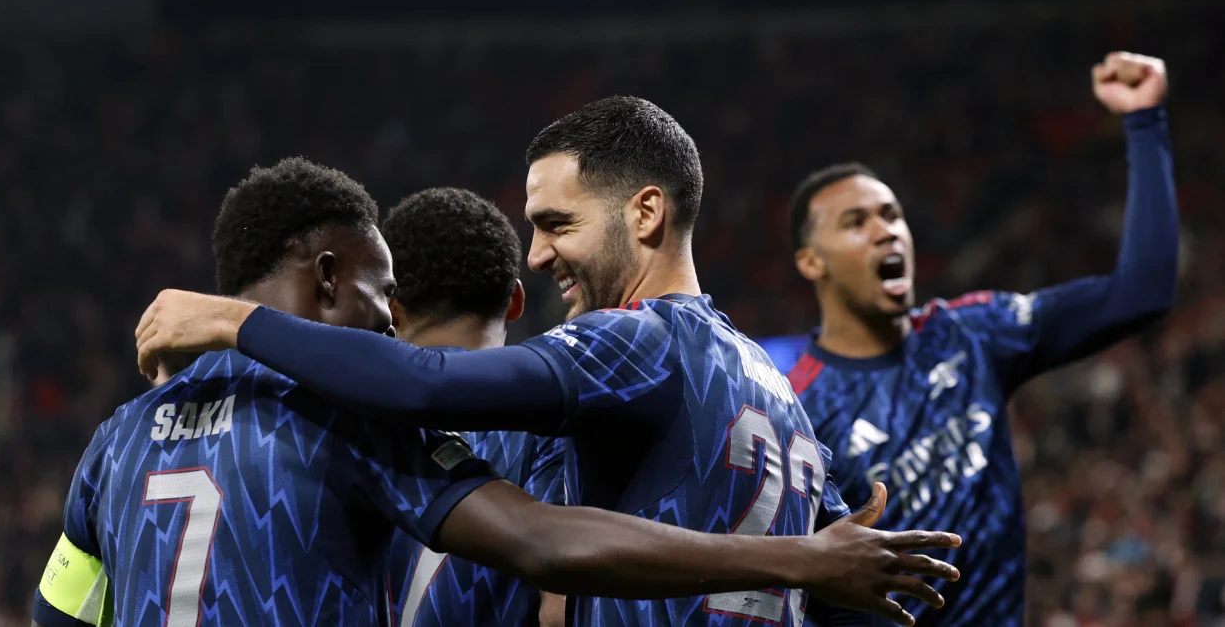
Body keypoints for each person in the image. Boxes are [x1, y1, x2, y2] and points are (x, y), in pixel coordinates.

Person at [133, 99, 963, 626]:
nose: (535, 253)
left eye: (556, 223)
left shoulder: (639, 339)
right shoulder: (777, 390)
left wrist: (233, 319)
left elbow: (429, 383)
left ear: (645, 213)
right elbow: (839, 578)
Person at [771, 52, 1178, 626]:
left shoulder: (969, 332)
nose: (885, 229)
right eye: (855, 222)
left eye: (892, 214)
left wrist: (1143, 122)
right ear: (811, 262)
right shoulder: (798, 413)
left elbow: (1142, 292)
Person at [380, 187, 566, 627]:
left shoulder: (346, 417)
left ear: (391, 310)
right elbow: (558, 608)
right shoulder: (547, 422)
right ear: (516, 301)